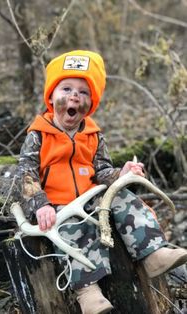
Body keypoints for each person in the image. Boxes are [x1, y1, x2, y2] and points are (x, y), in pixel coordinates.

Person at [17, 50, 187, 314]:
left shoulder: (93, 135)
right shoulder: (39, 135)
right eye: (66, 88)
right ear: (51, 97)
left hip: (92, 195)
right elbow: (26, 173)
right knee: (75, 230)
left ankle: (152, 251)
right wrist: (40, 205)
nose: (74, 96)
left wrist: (122, 173)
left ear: (91, 103)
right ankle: (87, 291)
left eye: (83, 93)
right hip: (58, 203)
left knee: (125, 199)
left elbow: (102, 170)